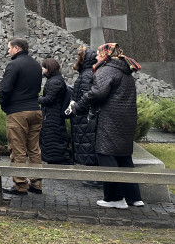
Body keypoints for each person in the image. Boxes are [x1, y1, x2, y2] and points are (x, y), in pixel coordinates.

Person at [68, 43, 144, 209]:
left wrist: (78, 106)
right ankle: (134, 197)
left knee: (106, 155)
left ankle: (114, 198)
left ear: (105, 55)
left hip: (109, 119)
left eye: (98, 54)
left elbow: (97, 93)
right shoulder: (126, 70)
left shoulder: (106, 70)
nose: (96, 57)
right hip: (126, 119)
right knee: (124, 158)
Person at [0, 37, 44, 196]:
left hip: (18, 112)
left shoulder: (14, 64)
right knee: (34, 149)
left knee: (17, 149)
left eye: (9, 48)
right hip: (35, 110)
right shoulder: (36, 65)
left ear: (17, 48)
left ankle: (20, 185)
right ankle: (36, 184)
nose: (8, 51)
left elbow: (5, 88)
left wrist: (3, 104)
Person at [71, 46, 101, 187]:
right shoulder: (89, 73)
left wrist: (75, 108)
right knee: (88, 145)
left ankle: (97, 178)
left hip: (85, 118)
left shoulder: (87, 75)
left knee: (89, 146)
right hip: (84, 118)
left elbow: (87, 97)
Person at [38, 58, 72, 165]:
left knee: (53, 141)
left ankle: (58, 163)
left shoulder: (55, 82)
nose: (42, 70)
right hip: (52, 116)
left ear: (49, 69)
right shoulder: (55, 80)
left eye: (44, 67)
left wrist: (35, 98)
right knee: (52, 141)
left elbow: (49, 100)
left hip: (53, 117)